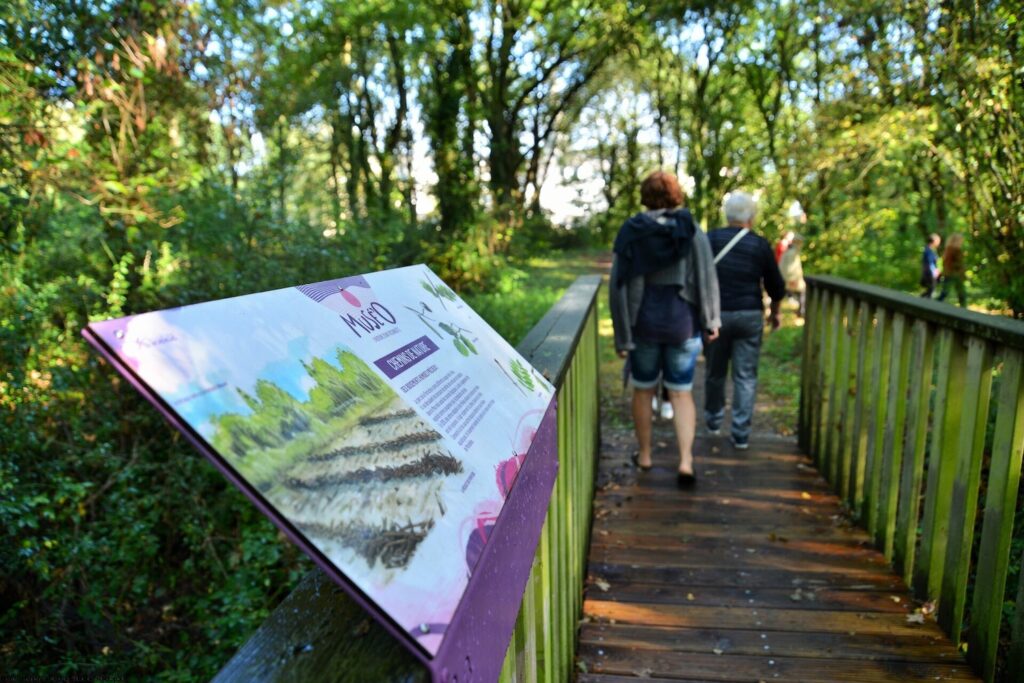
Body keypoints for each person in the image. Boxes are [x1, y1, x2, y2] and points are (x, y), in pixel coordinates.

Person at [610, 171, 721, 486]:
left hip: (643, 325)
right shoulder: (691, 229)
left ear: (644, 196)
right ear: (676, 195)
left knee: (643, 389)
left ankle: (645, 456)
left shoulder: (631, 231)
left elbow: (618, 285)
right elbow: (706, 277)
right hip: (682, 326)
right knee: (681, 393)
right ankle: (686, 461)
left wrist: (622, 334)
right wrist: (712, 320)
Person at [704, 191, 786, 450]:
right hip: (749, 315)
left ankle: (713, 421)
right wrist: (775, 312)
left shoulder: (711, 239)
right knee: (745, 376)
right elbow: (776, 286)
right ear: (751, 218)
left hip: (716, 316)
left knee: (715, 372)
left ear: (727, 215)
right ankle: (740, 433)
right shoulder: (760, 245)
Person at [779, 234, 806, 318]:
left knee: (801, 295)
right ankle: (801, 312)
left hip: (792, 279)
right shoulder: (792, 253)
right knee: (802, 294)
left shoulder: (790, 251)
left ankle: (800, 312)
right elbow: (789, 268)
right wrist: (792, 279)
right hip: (793, 279)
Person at [938, 233, 967, 307]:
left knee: (960, 294)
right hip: (953, 274)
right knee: (949, 292)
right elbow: (950, 263)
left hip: (952, 274)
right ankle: (934, 305)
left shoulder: (950, 249)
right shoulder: (953, 250)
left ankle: (963, 309)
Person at [920, 233, 941, 298]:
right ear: (934, 241)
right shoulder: (928, 250)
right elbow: (930, 262)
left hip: (930, 272)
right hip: (929, 273)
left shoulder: (931, 250)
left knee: (930, 290)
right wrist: (934, 271)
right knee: (930, 290)